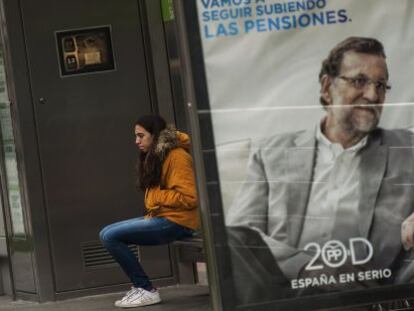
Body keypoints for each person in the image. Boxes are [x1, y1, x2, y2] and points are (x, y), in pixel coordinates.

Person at [226, 37, 414, 306]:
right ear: (327, 87)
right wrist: (306, 265)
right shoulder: (272, 153)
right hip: (289, 289)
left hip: (372, 288)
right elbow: (242, 234)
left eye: (381, 86)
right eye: (359, 81)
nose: (373, 95)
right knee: (229, 239)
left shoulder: (408, 148)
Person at [99, 115, 199, 308]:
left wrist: (156, 198)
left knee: (111, 236)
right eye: (136, 136)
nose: (136, 141)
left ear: (155, 135)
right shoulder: (157, 156)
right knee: (106, 233)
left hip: (179, 222)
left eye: (141, 136)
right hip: (164, 217)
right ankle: (141, 287)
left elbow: (190, 198)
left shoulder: (177, 156)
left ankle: (145, 289)